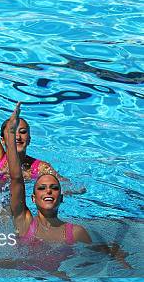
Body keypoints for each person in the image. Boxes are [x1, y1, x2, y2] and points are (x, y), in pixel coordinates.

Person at [5, 102, 90, 246]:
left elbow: (98, 259)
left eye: (55, 188)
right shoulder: (24, 224)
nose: (48, 191)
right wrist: (11, 134)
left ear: (62, 197)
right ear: (32, 198)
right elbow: (16, 178)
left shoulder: (76, 233)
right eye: (41, 188)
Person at [0, 41, 57, 181]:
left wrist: (29, 177)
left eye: (23, 132)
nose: (18, 137)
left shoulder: (40, 168)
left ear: (29, 139)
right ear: (3, 140)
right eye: (13, 132)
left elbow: (71, 188)